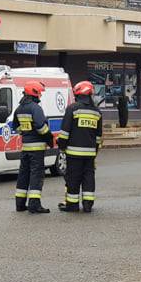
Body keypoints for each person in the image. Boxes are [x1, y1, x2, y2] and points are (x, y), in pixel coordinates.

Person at [56, 81, 103, 213]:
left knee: (73, 179)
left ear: (78, 94)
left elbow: (64, 133)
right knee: (88, 178)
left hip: (73, 154)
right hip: (90, 154)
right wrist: (95, 151)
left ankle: (72, 205)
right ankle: (88, 205)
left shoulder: (72, 109)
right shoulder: (97, 112)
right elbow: (98, 136)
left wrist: (62, 147)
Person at [11, 81, 54, 214]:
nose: (40, 96)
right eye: (39, 93)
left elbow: (16, 127)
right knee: (36, 175)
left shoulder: (19, 109)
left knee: (23, 175)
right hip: (37, 149)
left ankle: (20, 204)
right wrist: (49, 138)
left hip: (25, 148)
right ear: (34, 93)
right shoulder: (35, 108)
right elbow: (41, 127)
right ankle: (34, 205)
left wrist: (26, 132)